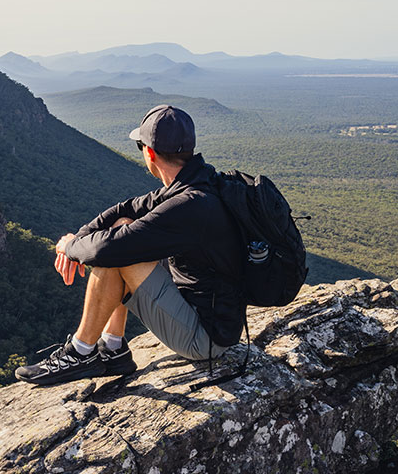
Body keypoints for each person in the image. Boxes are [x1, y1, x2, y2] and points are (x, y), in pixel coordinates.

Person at [15, 105, 245, 385]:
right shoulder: (197, 182)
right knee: (122, 228)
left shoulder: (188, 205)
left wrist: (69, 247)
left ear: (149, 153)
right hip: (208, 314)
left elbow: (105, 251)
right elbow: (123, 209)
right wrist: (80, 236)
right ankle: (113, 348)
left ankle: (82, 351)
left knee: (120, 251)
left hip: (206, 340)